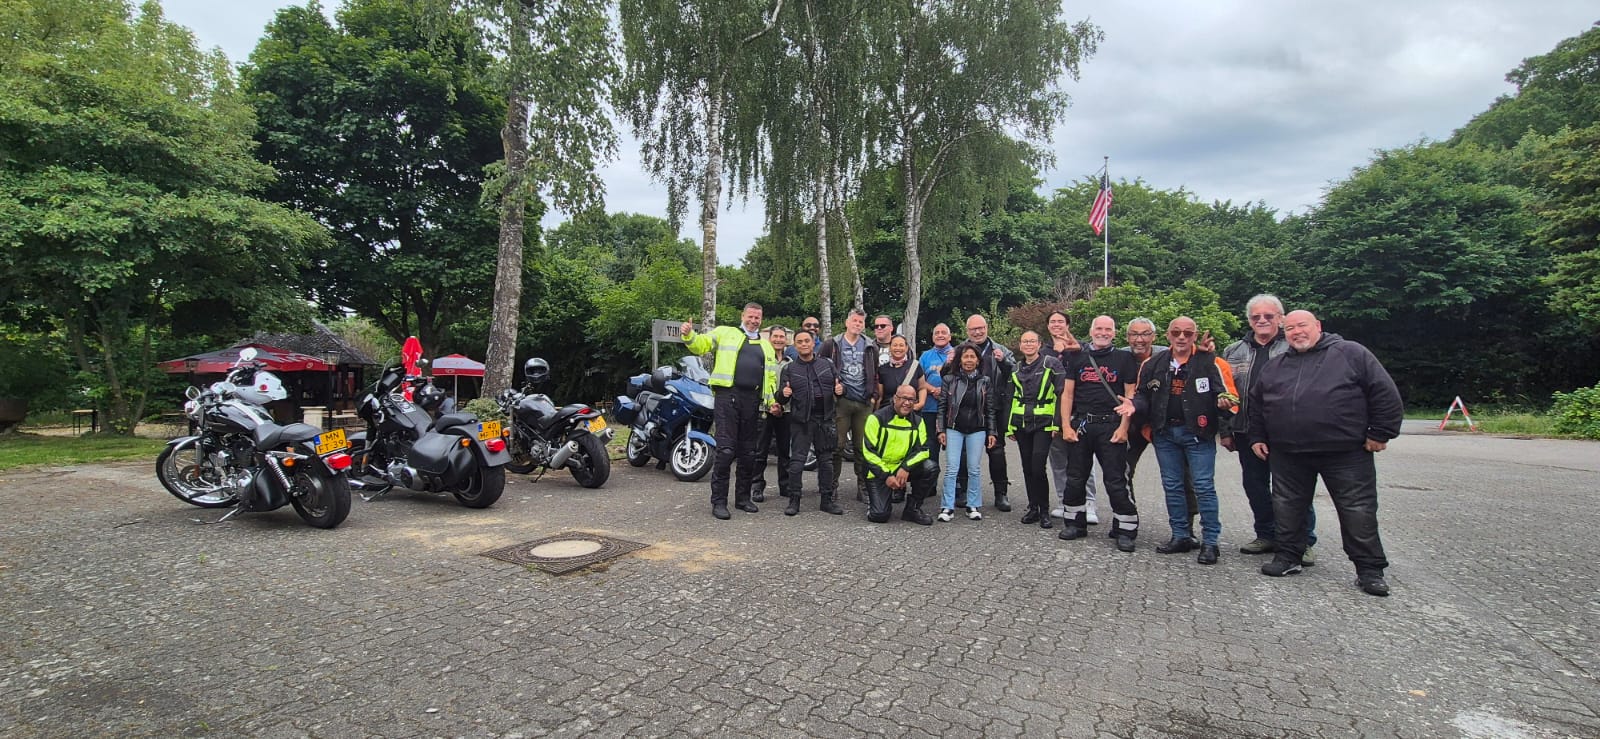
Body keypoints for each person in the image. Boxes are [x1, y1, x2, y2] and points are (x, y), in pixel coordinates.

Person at [1249, 311, 1402, 597]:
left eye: (1302, 325)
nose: (1296, 332)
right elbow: (1256, 403)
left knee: (1357, 510)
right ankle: (1288, 557)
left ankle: (1369, 570)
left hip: (1345, 451)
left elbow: (1384, 392)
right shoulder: (1275, 365)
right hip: (1288, 452)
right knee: (1287, 507)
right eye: (1290, 328)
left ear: (1317, 326)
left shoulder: (1351, 353)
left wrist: (1381, 432)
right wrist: (1257, 436)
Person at [1134, 317, 1239, 566]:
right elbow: (1142, 395)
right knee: (1172, 486)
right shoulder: (1153, 363)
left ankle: (1210, 542)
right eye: (1176, 332)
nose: (1182, 337)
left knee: (1203, 486)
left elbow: (1230, 396)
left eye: (1188, 333)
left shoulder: (1211, 361)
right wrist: (1133, 407)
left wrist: (1225, 404)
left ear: (1195, 335)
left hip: (1198, 434)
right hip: (1165, 434)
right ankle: (1180, 535)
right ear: (1167, 335)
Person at [1221, 294, 1317, 562]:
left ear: (1281, 319)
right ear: (1249, 320)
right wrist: (1226, 430)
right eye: (1256, 317)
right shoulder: (1233, 351)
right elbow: (1224, 392)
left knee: (1294, 488)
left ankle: (1302, 541)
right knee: (1255, 486)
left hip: (1286, 432)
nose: (1262, 320)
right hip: (1245, 430)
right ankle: (1266, 534)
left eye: (1268, 316)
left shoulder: (1294, 346)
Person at [681, 304, 779, 520]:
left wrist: (772, 401)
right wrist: (689, 336)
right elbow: (701, 345)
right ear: (742, 316)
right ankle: (719, 501)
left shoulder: (766, 346)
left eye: (757, 318)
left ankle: (743, 498)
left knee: (748, 452)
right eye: (750, 316)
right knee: (725, 451)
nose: (754, 320)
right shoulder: (725, 333)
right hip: (727, 397)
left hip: (752, 400)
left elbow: (771, 378)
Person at [1057, 315, 1140, 551]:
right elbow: (1067, 394)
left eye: (1108, 329)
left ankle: (1125, 529)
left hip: (1112, 425)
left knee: (1115, 479)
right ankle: (1075, 523)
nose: (1103, 333)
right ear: (1091, 331)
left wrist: (1124, 428)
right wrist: (1066, 426)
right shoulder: (1077, 357)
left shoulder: (1125, 358)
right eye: (1099, 329)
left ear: (1114, 333)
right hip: (1082, 424)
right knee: (1075, 478)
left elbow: (1130, 396)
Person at [954, 314, 1015, 512]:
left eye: (981, 328)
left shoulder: (1000, 350)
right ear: (967, 331)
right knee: (964, 451)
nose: (978, 332)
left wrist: (1003, 361)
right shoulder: (960, 350)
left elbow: (1015, 373)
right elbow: (950, 375)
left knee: (996, 450)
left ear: (987, 328)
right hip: (967, 408)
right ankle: (963, 491)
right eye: (973, 329)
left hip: (994, 407)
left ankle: (1001, 493)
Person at [777, 329, 840, 515]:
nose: (804, 344)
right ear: (795, 345)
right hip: (801, 421)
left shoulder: (827, 364)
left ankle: (826, 500)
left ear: (813, 344)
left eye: (807, 341)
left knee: (826, 462)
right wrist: (783, 394)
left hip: (825, 419)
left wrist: (841, 390)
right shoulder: (789, 369)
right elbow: (780, 398)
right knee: (797, 462)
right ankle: (794, 500)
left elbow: (839, 386)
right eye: (800, 342)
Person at [819, 309, 879, 504]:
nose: (857, 324)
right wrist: (831, 388)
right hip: (841, 402)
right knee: (837, 446)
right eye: (854, 321)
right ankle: (831, 487)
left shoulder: (870, 345)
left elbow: (875, 373)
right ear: (847, 322)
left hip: (863, 402)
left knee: (863, 448)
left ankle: (864, 488)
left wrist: (873, 396)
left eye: (861, 322)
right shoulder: (832, 344)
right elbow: (820, 368)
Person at [1043, 311, 1097, 522]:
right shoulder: (1043, 351)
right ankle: (1063, 501)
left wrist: (1068, 351)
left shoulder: (1082, 348)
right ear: (1047, 326)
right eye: (1052, 321)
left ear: (1068, 325)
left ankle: (1089, 503)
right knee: (1058, 460)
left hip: (1081, 410)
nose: (1056, 325)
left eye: (1061, 321)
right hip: (1053, 412)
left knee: (1084, 460)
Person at [1008, 331, 1066, 529]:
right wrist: (1009, 427)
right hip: (1021, 423)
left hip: (1044, 423)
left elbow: (1062, 394)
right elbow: (1011, 398)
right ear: (1020, 345)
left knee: (1037, 467)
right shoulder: (1016, 368)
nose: (1028, 344)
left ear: (1039, 344)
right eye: (1025, 341)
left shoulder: (1052, 364)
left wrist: (1057, 423)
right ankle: (1032, 508)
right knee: (1027, 467)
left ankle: (1044, 510)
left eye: (1032, 341)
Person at [861, 385, 937, 525]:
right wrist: (886, 475)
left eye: (911, 400)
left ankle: (913, 509)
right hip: (878, 471)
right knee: (879, 516)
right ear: (895, 398)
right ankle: (878, 500)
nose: (907, 403)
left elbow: (923, 450)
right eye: (904, 398)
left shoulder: (918, 421)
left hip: (902, 468)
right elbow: (868, 452)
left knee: (931, 468)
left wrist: (906, 467)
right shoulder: (876, 418)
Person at [936, 344, 996, 521]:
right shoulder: (949, 379)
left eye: (972, 357)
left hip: (977, 429)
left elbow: (990, 409)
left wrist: (992, 432)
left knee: (974, 469)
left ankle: (973, 505)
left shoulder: (985, 381)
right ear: (959, 360)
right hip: (954, 428)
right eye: (965, 356)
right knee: (952, 469)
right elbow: (942, 407)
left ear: (978, 360)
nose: (969, 360)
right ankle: (947, 507)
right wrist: (941, 430)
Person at [751, 326, 792, 504]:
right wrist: (770, 405)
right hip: (764, 410)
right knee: (760, 451)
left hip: (785, 410)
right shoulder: (762, 359)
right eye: (775, 336)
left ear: (786, 340)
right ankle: (756, 486)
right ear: (769, 338)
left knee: (784, 451)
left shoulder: (791, 362)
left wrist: (781, 405)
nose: (778, 339)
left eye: (781, 337)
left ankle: (785, 485)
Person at [918, 323, 955, 465]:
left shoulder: (957, 354)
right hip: (930, 408)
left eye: (943, 332)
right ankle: (931, 478)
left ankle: (955, 478)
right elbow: (919, 380)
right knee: (931, 447)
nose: (940, 335)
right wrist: (933, 390)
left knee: (954, 448)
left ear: (949, 337)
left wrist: (944, 392)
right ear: (933, 337)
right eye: (937, 333)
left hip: (952, 409)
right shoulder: (925, 356)